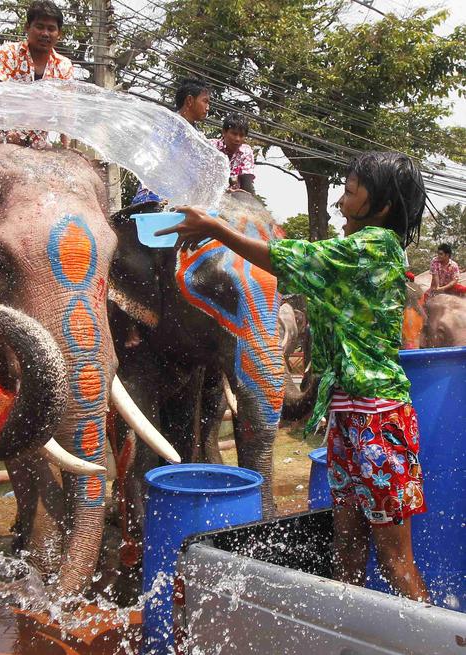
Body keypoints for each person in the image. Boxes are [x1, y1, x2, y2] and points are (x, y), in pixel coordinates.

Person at [158, 151, 430, 602]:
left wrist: (214, 229)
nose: (340, 203)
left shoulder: (376, 247)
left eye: (350, 192)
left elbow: (289, 257)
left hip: (380, 424)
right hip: (347, 421)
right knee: (346, 552)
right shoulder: (348, 261)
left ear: (380, 208)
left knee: (394, 561)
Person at [0, 0, 74, 148]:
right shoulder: (7, 53)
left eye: (51, 29)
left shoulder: (64, 66)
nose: (45, 33)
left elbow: (66, 112)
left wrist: (66, 148)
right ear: (27, 27)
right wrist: (9, 133)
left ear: (59, 34)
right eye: (39, 27)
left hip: (38, 145)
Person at [131, 78, 210, 204]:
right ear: (189, 100)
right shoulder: (165, 127)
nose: (207, 108)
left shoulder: (198, 138)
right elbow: (151, 163)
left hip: (181, 204)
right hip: (153, 201)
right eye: (205, 102)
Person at [212, 112, 256, 194]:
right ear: (224, 132)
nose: (237, 139)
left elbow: (246, 184)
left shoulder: (246, 152)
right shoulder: (212, 147)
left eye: (241, 135)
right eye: (234, 134)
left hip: (232, 200)